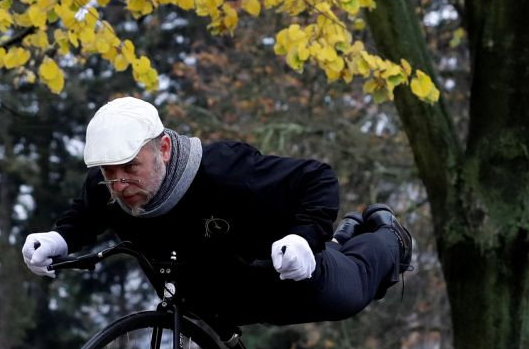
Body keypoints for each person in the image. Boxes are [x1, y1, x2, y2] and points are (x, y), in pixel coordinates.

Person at [20, 96, 413, 330]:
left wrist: (304, 240)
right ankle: (343, 236)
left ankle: (388, 236)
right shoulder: (107, 186)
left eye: (130, 168)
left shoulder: (224, 170)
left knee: (354, 289)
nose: (120, 183)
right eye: (109, 172)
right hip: (210, 303)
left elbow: (317, 179)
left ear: (163, 150)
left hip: (283, 280)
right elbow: (85, 216)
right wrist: (58, 240)